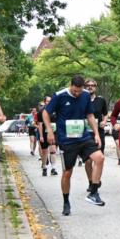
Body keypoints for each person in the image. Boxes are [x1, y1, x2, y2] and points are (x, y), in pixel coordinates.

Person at [43, 75, 106, 215]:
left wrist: (96, 133)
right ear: (70, 85)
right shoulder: (59, 96)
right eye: (75, 91)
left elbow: (90, 115)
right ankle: (66, 202)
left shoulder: (85, 95)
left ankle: (93, 193)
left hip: (83, 137)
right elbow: (46, 113)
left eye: (79, 91)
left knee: (100, 158)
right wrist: (49, 131)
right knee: (67, 172)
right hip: (66, 140)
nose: (77, 94)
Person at [84, 79, 110, 189]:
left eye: (92, 85)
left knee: (98, 159)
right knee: (88, 161)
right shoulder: (81, 99)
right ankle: (91, 181)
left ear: (96, 87)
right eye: (88, 85)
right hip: (85, 133)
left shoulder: (101, 100)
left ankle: (96, 180)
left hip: (99, 133)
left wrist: (104, 121)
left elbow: (105, 114)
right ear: (84, 87)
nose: (90, 87)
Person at [36, 95, 58, 176]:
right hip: (44, 134)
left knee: (53, 150)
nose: (49, 102)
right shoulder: (41, 112)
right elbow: (40, 125)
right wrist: (41, 136)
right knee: (44, 151)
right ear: (44, 102)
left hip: (54, 133)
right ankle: (44, 167)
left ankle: (53, 168)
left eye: (50, 101)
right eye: (47, 101)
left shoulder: (55, 110)